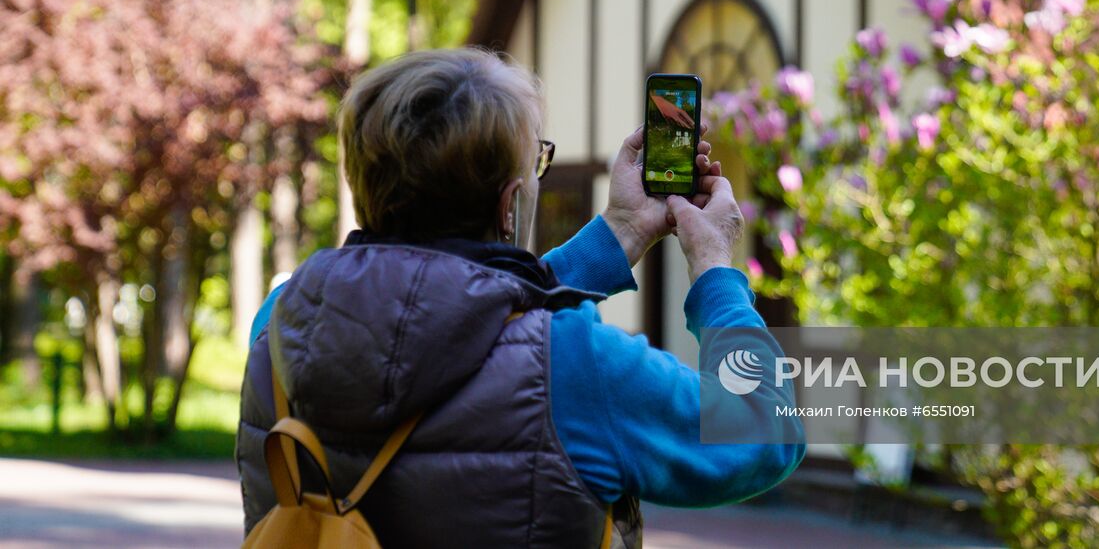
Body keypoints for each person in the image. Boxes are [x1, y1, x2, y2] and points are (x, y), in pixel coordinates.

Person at [237, 47, 805, 548]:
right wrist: (714, 272)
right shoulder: (577, 365)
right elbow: (762, 431)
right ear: (509, 203)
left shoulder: (279, 328)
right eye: (537, 162)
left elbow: (444, 316)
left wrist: (622, 231)